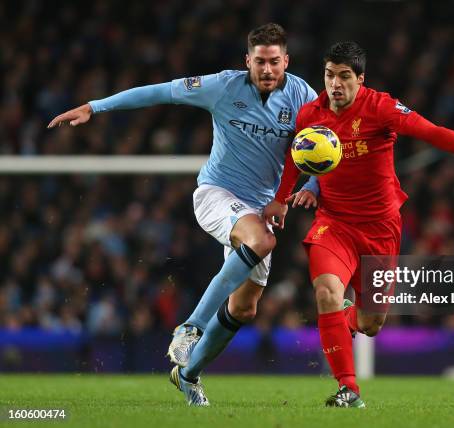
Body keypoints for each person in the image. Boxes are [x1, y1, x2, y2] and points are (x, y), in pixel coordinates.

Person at [48, 23, 317, 406]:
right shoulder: (223, 86)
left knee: (245, 307)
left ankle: (188, 375)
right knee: (262, 239)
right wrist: (96, 106)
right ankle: (190, 328)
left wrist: (310, 186)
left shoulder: (304, 96)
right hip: (216, 194)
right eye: (260, 62)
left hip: (258, 208)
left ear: (286, 61)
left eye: (275, 62)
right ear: (248, 61)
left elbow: (325, 146)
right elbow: (160, 92)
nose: (268, 70)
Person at [263, 41, 454, 408]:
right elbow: (295, 158)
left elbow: (433, 132)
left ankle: (338, 324)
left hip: (380, 229)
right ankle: (348, 390)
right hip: (333, 223)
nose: (335, 84)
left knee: (370, 323)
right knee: (326, 293)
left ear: (360, 79)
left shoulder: (381, 107)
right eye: (329, 75)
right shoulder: (311, 114)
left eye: (344, 76)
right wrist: (282, 197)